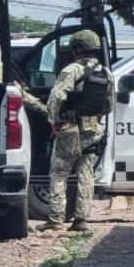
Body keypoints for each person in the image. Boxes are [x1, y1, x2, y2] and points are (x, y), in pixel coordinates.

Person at [36, 30, 114, 233]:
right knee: (86, 173)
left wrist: (53, 121)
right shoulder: (106, 73)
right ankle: (81, 220)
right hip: (94, 128)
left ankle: (55, 219)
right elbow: (109, 105)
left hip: (69, 128)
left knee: (59, 172)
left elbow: (56, 98)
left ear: (78, 49)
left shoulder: (71, 70)